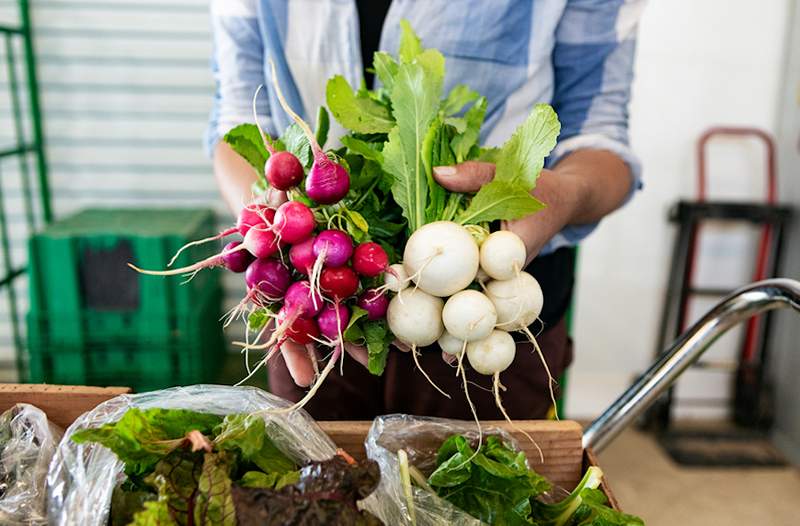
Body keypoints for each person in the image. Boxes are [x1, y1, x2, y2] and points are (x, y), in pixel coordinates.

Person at [207, 0, 644, 420]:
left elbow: (601, 138)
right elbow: (237, 116)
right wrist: (272, 225)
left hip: (491, 304)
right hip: (319, 307)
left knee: (481, 486)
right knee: (316, 484)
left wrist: (563, 195)